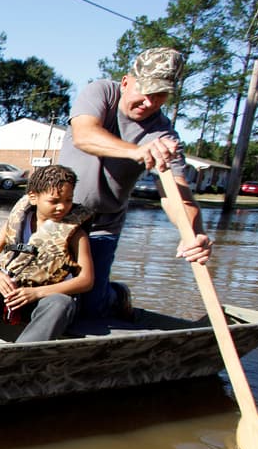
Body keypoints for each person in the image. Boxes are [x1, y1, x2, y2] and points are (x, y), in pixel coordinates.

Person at [59, 46, 213, 319]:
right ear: (127, 82)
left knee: (89, 309)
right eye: (146, 91)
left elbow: (177, 195)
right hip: (57, 218)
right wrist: (137, 151)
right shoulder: (102, 92)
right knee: (41, 288)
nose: (150, 103)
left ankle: (114, 294)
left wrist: (194, 233)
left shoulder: (163, 136)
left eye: (160, 96)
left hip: (102, 225)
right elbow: (84, 135)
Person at [0, 164, 94, 345]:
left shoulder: (76, 234)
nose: (62, 207)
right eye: (54, 201)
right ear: (33, 197)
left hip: (47, 297)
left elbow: (86, 280)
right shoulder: (19, 221)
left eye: (68, 200)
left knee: (60, 304)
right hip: (14, 293)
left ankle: (19, 357)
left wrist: (36, 293)